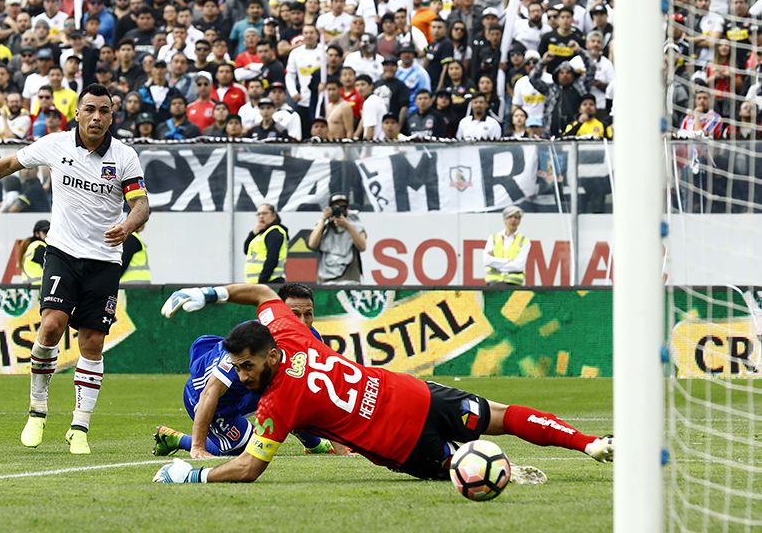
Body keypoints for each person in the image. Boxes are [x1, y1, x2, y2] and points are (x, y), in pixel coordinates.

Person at [152, 283, 614, 484]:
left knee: (471, 466)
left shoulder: (277, 404)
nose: (243, 376)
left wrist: (193, 474)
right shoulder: (289, 332)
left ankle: (535, 463)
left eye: (247, 367)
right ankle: (591, 443)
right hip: (412, 393)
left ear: (271, 356)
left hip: (402, 441)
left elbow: (249, 470)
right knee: (501, 417)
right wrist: (210, 294)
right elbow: (265, 295)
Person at [0, 84, 151, 455]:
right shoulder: (56, 144)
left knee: (93, 342)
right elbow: (6, 165)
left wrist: (128, 225)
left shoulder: (125, 157)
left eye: (105, 111)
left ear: (112, 116)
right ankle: (37, 409)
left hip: (104, 259)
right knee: (51, 325)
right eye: (90, 110)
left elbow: (141, 204)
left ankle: (79, 428)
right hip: (63, 252)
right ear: (77, 114)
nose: (97, 117)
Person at [152, 283, 335, 460]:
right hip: (206, 397)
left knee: (297, 387)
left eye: (308, 314)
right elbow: (211, 391)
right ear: (281, 313)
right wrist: (198, 447)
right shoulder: (250, 343)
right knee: (246, 447)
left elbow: (322, 392)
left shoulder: (312, 338)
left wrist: (342, 448)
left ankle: (313, 445)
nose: (303, 323)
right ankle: (177, 439)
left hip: (247, 392)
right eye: (295, 314)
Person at [308, 193, 366, 285]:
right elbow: (312, 244)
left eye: (342, 207)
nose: (339, 210)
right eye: (336, 207)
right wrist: (323, 219)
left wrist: (347, 225)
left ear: (347, 208)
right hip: (326, 280)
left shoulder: (355, 223)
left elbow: (362, 246)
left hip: (349, 279)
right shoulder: (324, 225)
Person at [483, 205, 531, 286]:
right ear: (504, 219)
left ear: (519, 221)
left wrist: (496, 262)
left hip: (513, 285)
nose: (513, 220)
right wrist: (508, 261)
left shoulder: (524, 241)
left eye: (517, 217)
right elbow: (487, 261)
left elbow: (518, 266)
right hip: (493, 285)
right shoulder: (493, 238)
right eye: (510, 216)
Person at [244, 203, 288, 284]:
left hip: (270, 281)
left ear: (274, 215)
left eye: (264, 213)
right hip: (256, 282)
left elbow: (272, 259)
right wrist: (253, 233)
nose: (261, 216)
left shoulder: (274, 233)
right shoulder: (261, 233)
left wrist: (262, 281)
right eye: (258, 214)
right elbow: (246, 250)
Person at [20, 219, 51, 286]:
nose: (48, 234)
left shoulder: (32, 246)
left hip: (30, 287)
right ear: (37, 234)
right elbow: (51, 268)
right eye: (45, 231)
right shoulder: (39, 247)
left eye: (50, 231)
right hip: (38, 287)